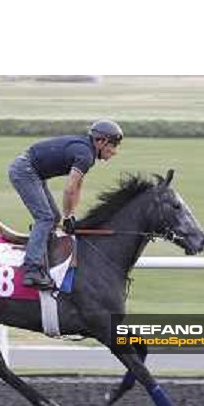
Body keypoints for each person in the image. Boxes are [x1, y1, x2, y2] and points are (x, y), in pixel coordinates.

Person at [8, 119, 123, 289]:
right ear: (100, 141)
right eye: (113, 145)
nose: (114, 152)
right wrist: (68, 217)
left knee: (53, 217)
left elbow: (76, 188)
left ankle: (42, 258)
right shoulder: (86, 156)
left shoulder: (86, 151)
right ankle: (32, 270)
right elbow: (69, 190)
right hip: (25, 170)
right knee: (46, 218)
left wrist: (70, 215)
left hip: (32, 170)